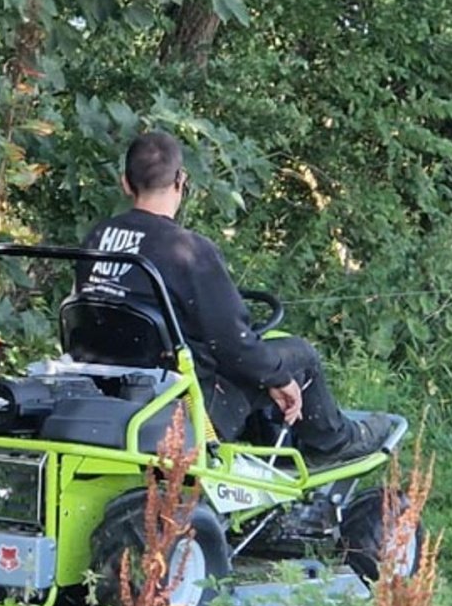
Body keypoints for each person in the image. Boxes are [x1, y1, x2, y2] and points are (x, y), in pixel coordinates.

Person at [76, 131, 392, 464]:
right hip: (187, 407)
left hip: (109, 392)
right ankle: (336, 443)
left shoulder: (98, 236)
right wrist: (279, 378)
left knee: (258, 361)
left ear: (125, 183)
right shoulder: (188, 251)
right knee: (299, 354)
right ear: (181, 181)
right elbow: (233, 341)